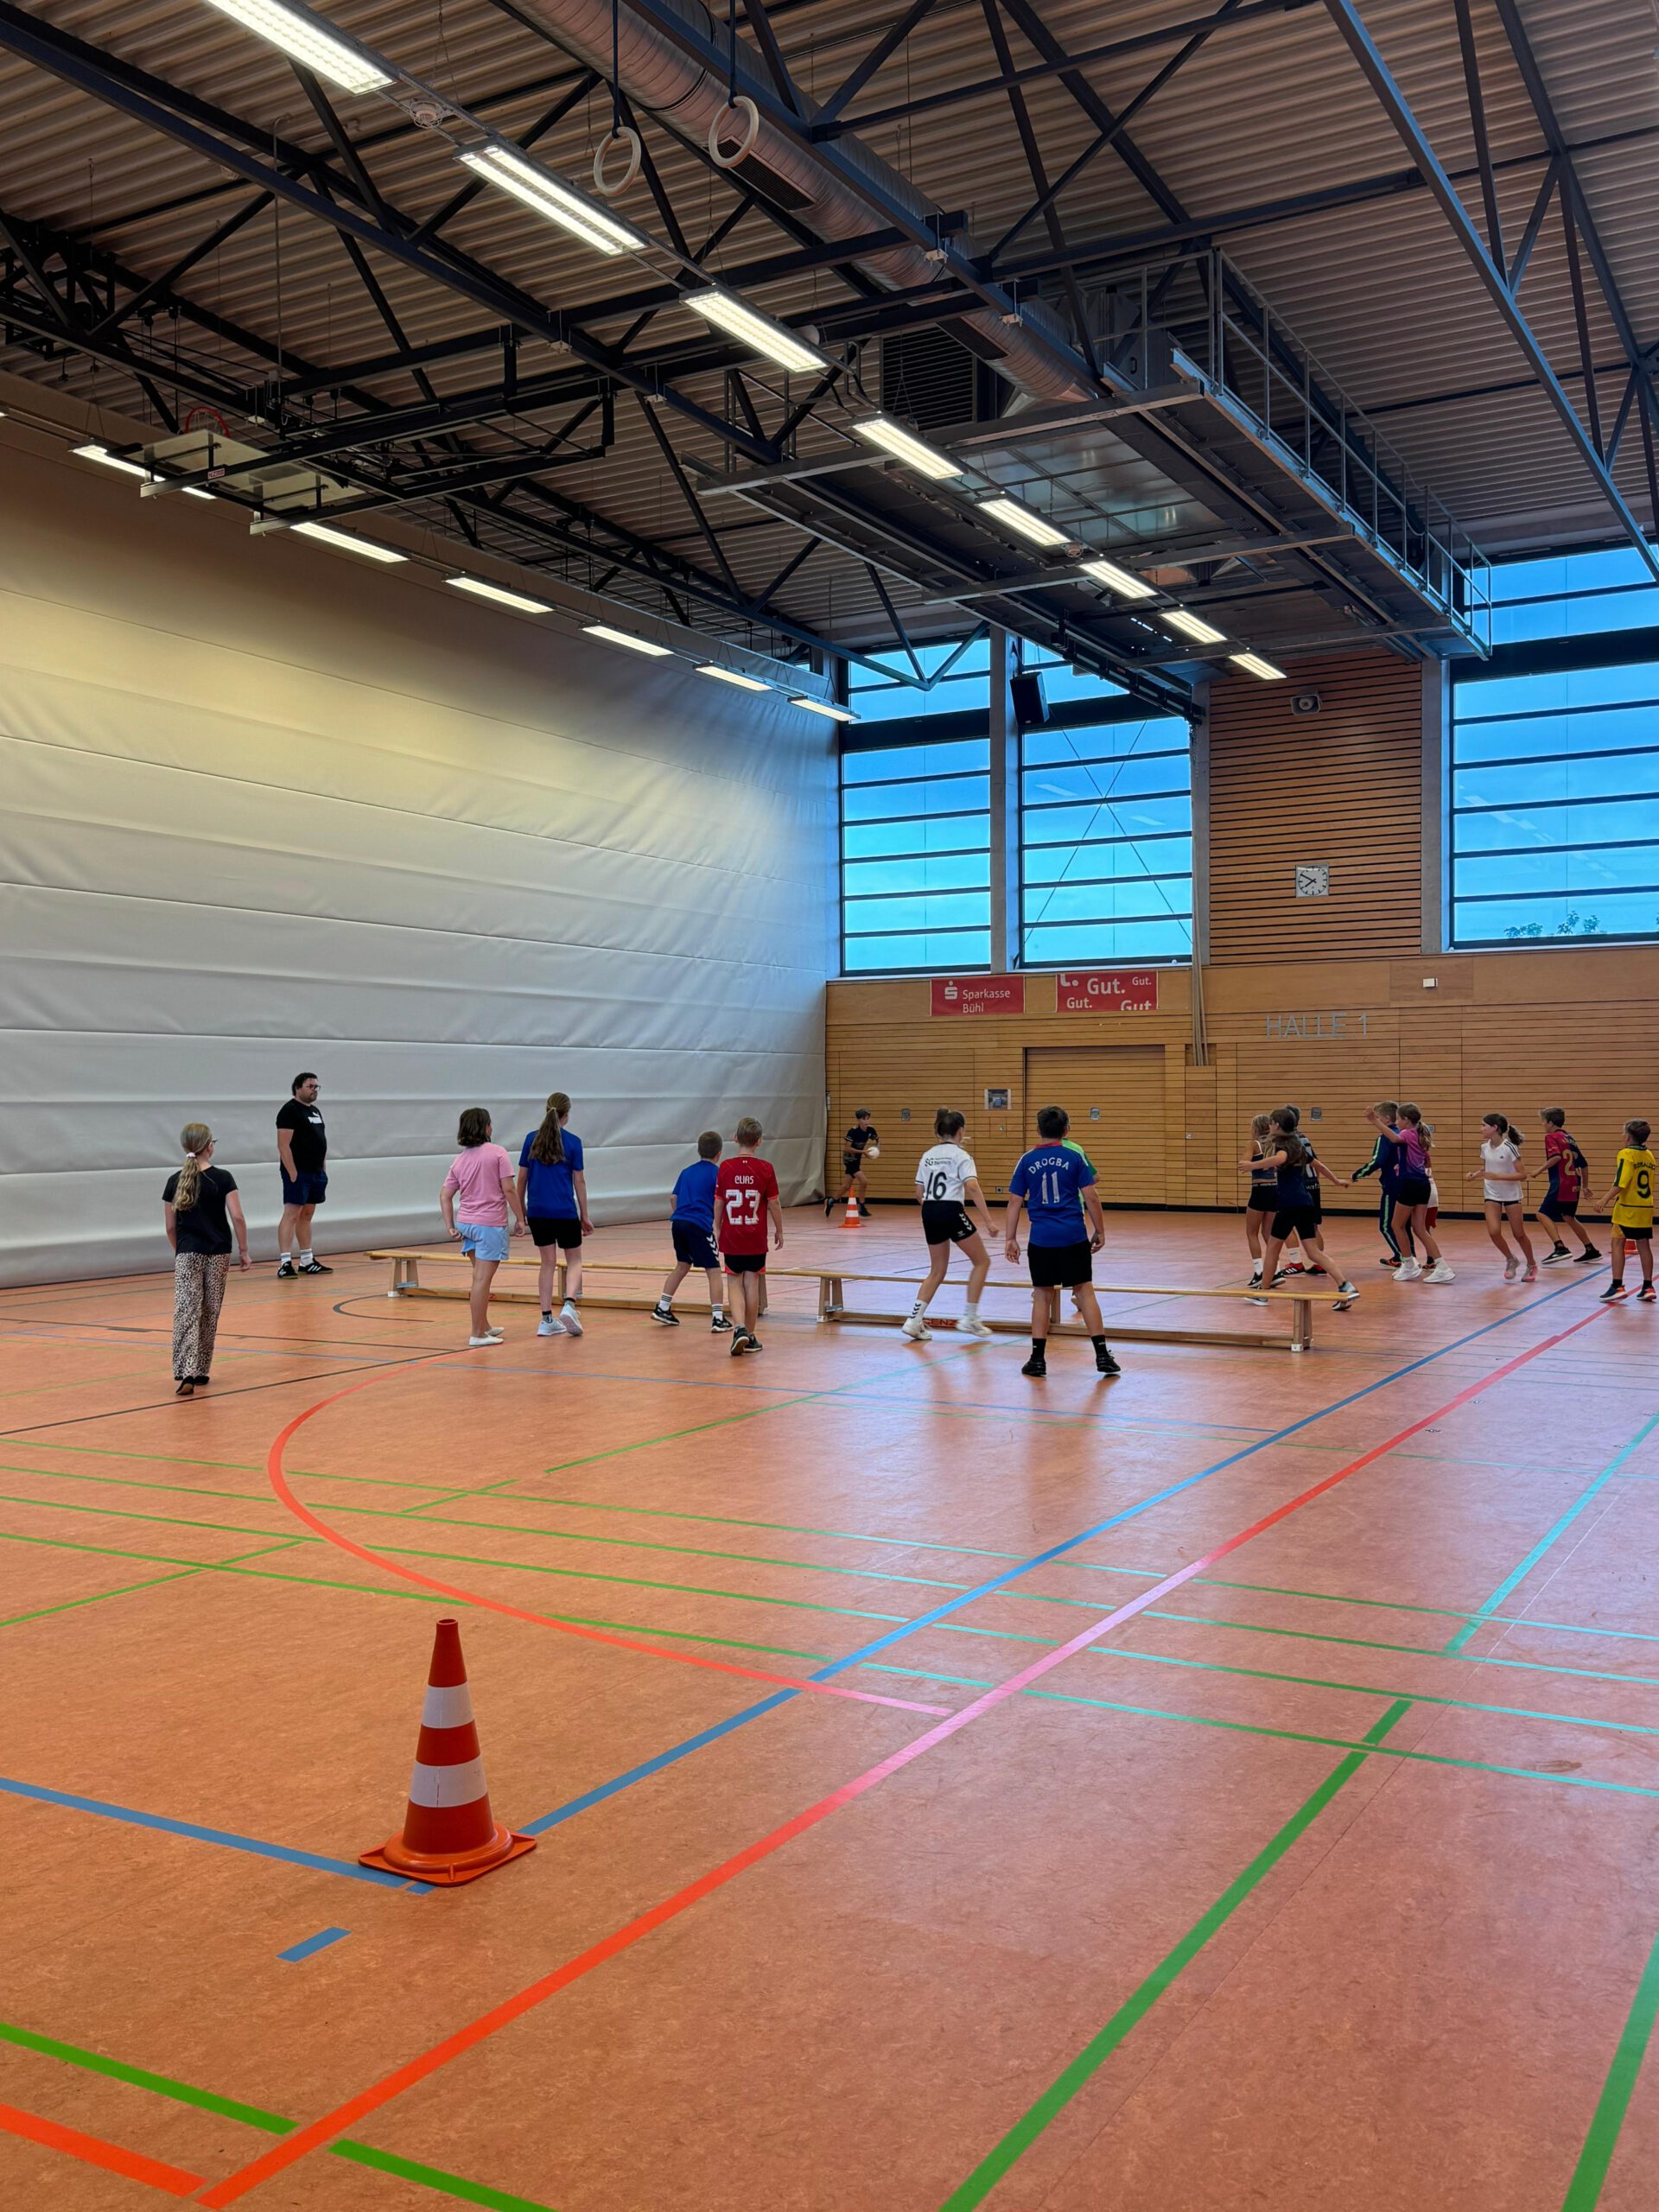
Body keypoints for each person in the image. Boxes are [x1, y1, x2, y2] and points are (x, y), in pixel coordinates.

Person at [1004, 1105, 1119, 1379]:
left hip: (1042, 1239)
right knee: (1084, 1291)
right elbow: (1091, 1197)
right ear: (1066, 1130)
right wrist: (1100, 1230)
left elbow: (1014, 1202)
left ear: (1038, 1130)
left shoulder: (1026, 1160)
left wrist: (1010, 1238)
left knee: (1042, 1295)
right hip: (1073, 1236)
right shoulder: (1074, 1157)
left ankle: (1037, 1359)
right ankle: (1102, 1355)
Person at [163, 1123, 250, 1397]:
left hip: (188, 1252)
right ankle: (201, 1370)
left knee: (187, 1311)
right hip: (218, 1252)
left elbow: (170, 1227)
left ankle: (186, 1370)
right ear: (208, 1146)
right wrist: (243, 1250)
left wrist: (181, 1251)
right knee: (210, 1312)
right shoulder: (223, 1178)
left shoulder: (174, 1181)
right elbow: (237, 1217)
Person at [1244, 1107, 1359, 1310]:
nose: (1269, 1126)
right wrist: (1336, 1181)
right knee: (1313, 1252)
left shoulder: (1283, 1146)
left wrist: (1255, 1165)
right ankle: (1345, 1285)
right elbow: (1319, 1166)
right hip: (1305, 1202)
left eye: (1271, 1123)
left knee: (1273, 1248)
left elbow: (1280, 1158)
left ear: (1277, 1125)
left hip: (1289, 1205)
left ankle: (1262, 1294)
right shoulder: (1298, 1144)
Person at [903, 1109, 995, 1342]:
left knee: (937, 1270)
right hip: (950, 1209)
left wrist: (935, 1211)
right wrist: (988, 1221)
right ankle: (970, 1318)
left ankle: (913, 1321)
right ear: (960, 1131)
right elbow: (972, 1186)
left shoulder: (927, 1155)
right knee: (982, 1261)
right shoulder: (962, 1156)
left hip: (929, 1209)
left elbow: (918, 1193)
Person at [442, 1109, 526, 1347]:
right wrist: (520, 1218)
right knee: (481, 1280)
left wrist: (450, 1226)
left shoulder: (460, 1160)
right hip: (488, 1224)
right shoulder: (497, 1153)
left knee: (479, 1276)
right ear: (486, 1127)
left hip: (466, 1223)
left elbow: (445, 1195)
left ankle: (484, 1325)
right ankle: (477, 1333)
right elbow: (508, 1189)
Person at [516, 1091, 592, 1339]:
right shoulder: (573, 1142)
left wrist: (521, 1211)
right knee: (575, 1260)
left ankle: (546, 1319)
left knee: (547, 1263)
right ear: (566, 1115)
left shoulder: (531, 1139)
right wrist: (584, 1215)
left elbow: (522, 1178)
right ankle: (569, 1304)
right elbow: (579, 1181)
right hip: (564, 1211)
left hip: (538, 1212)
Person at [1364, 1103, 1453, 1283]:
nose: (1397, 1122)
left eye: (1398, 1119)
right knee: (1419, 1228)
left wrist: (1374, 1121)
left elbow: (1394, 1138)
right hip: (1423, 1184)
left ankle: (1409, 1264)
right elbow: (1423, 1160)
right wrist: (1403, 1166)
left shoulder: (1406, 1133)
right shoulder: (1419, 1134)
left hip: (1410, 1185)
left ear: (1406, 1120)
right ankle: (1441, 1266)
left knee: (1396, 1225)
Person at [652, 1132, 730, 1332]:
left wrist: (681, 1214)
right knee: (713, 1270)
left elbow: (673, 1198)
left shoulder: (686, 1171)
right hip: (699, 1225)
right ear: (719, 1153)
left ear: (698, 1150)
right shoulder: (718, 1174)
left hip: (678, 1223)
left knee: (682, 1265)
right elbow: (720, 1202)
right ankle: (718, 1318)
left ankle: (663, 1307)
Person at [717, 1116, 782, 1355]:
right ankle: (751, 1335)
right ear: (759, 1141)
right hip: (755, 1236)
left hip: (732, 1234)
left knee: (734, 1281)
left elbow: (719, 1201)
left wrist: (716, 1226)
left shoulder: (725, 1167)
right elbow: (774, 1203)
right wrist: (780, 1229)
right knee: (752, 1282)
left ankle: (739, 1328)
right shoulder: (766, 1168)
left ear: (735, 1138)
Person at [1467, 1112, 1535, 1281]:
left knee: (1519, 1234)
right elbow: (1487, 1168)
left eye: (1483, 1125)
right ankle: (1511, 1259)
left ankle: (1531, 1264)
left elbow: (1522, 1175)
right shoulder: (1484, 1147)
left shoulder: (1509, 1147)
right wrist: (1476, 1174)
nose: (1481, 1128)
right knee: (1494, 1231)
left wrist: (1497, 1176)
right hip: (1492, 1193)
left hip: (1511, 1194)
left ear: (1495, 1128)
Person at [276, 1071, 330, 1277]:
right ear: (298, 1088)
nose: (314, 1090)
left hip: (316, 1172)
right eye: (310, 1086)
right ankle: (285, 1262)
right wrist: (292, 1173)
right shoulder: (289, 1111)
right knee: (292, 1214)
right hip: (299, 1173)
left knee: (307, 1215)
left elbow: (320, 1140)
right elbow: (283, 1145)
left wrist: (323, 1167)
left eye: (316, 1087)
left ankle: (307, 1260)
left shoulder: (315, 1111)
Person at [1597, 1119, 1656, 1302]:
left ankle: (1617, 1286)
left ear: (1628, 1137)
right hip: (1645, 1207)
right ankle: (1648, 1286)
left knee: (1617, 1243)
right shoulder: (1649, 1155)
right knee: (1643, 1244)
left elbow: (1621, 1182)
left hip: (1627, 1207)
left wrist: (1604, 1199)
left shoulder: (1626, 1153)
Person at [1352, 1101, 1413, 1269]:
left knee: (1387, 1225)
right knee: (1404, 1225)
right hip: (1407, 1183)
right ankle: (1410, 1255)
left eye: (1377, 1118)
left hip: (1392, 1185)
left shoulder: (1385, 1137)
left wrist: (1358, 1174)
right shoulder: (1403, 1134)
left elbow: (1377, 1161)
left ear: (1386, 1119)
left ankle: (1403, 1258)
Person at [1535, 1108, 1600, 1264]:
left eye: (1543, 1121)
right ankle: (1591, 1249)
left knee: (1542, 1214)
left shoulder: (1551, 1137)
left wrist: (1539, 1170)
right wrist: (1585, 1186)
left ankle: (1560, 1248)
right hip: (1574, 1182)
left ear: (1550, 1123)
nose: (1542, 1125)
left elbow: (1556, 1157)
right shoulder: (1569, 1138)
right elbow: (1584, 1164)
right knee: (1568, 1216)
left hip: (1562, 1182)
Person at [1243, 1112, 1279, 1287]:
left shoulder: (1254, 1144)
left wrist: (1249, 1161)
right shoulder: (1276, 1144)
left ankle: (1259, 1272)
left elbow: (1244, 1164)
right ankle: (1276, 1271)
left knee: (1252, 1232)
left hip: (1260, 1190)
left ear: (1255, 1128)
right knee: (1269, 1233)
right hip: (1275, 1190)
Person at [828, 1109, 880, 1218]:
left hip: (857, 1158)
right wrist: (863, 1152)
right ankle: (862, 1207)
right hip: (849, 1159)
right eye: (863, 1119)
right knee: (864, 1181)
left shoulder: (870, 1130)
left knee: (846, 1186)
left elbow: (877, 1140)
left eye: (867, 1118)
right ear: (858, 1120)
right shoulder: (853, 1132)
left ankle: (831, 1201)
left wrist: (876, 1149)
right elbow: (847, 1148)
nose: (866, 1121)